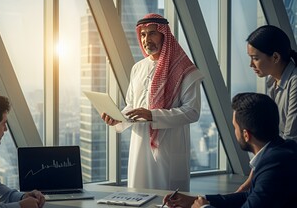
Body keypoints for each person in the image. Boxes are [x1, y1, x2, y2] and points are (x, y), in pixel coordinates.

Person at [101, 13, 203, 191]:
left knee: (169, 197)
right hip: (140, 145)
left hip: (169, 145)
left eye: (152, 33)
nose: (146, 39)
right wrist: (118, 117)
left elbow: (192, 112)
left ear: (165, 35)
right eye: (143, 34)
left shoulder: (186, 70)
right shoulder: (138, 68)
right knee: (139, 194)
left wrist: (152, 115)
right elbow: (132, 105)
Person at [162, 92, 297, 208]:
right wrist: (196, 200)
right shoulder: (282, 150)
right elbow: (250, 197)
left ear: (246, 135)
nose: (234, 132)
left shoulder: (275, 166)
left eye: (235, 127)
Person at [236, 24, 297, 192]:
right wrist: (250, 180)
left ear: (275, 57)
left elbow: (290, 138)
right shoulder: (272, 81)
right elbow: (271, 135)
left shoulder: (295, 82)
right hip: (283, 157)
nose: (250, 64)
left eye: (255, 58)